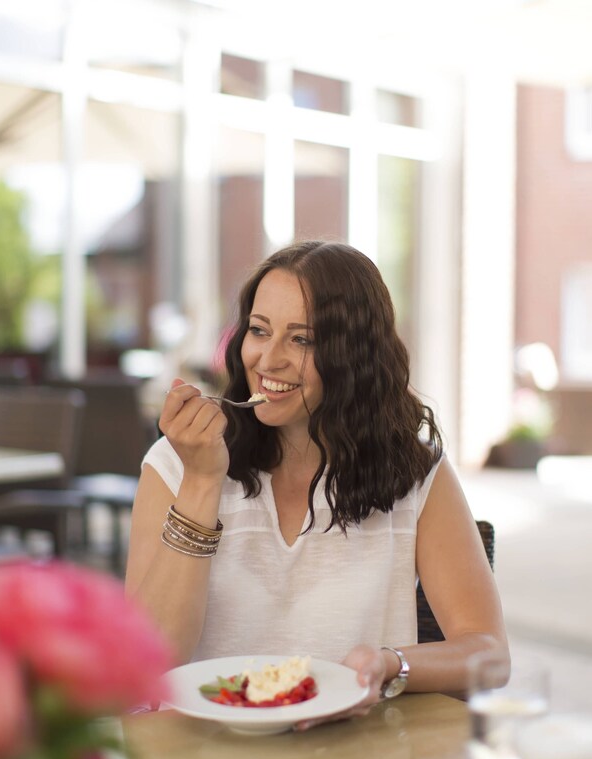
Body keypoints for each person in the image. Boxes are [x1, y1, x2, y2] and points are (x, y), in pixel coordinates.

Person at [126, 240, 509, 725]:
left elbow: (490, 655)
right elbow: (144, 660)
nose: (268, 359)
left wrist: (391, 665)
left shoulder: (413, 471)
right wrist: (202, 483)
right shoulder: (177, 462)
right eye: (259, 331)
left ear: (353, 354)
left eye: (301, 339)